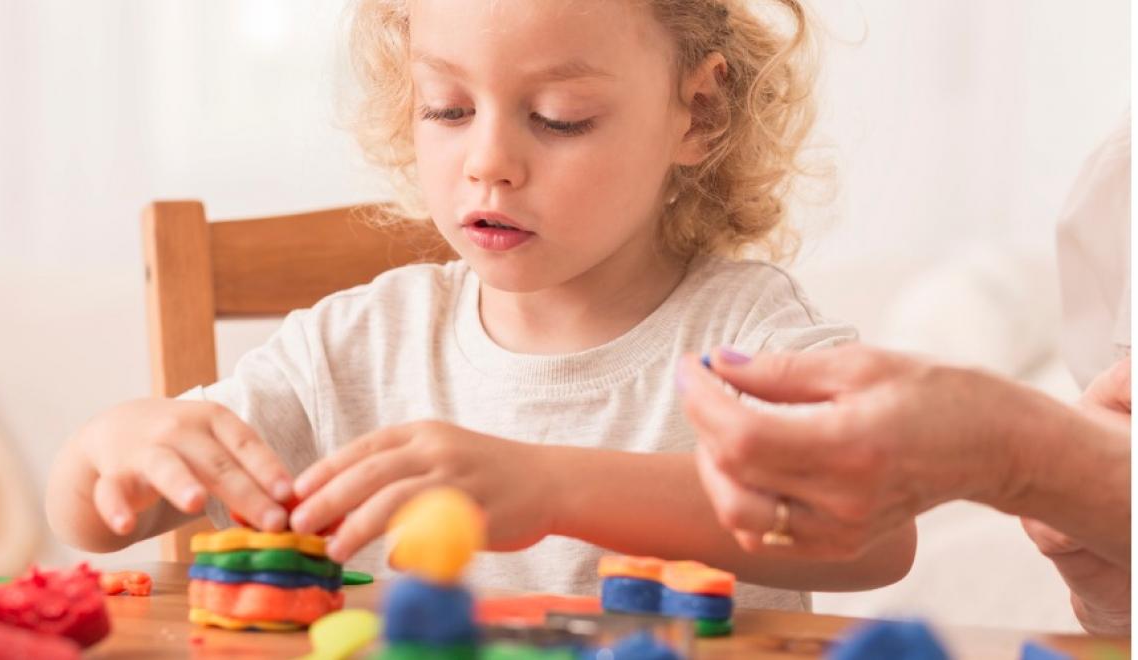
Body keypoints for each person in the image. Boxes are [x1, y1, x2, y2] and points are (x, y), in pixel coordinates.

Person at [46, 0, 917, 608]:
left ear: (698, 111)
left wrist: (549, 486)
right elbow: (92, 517)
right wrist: (113, 444)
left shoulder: (746, 338)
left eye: (559, 116)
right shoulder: (356, 347)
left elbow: (876, 530)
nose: (488, 160)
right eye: (449, 108)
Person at [679, 118, 1131, 633]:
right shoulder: (1117, 185)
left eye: (568, 120)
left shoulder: (751, 315)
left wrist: (1022, 454)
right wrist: (1116, 603)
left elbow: (880, 543)